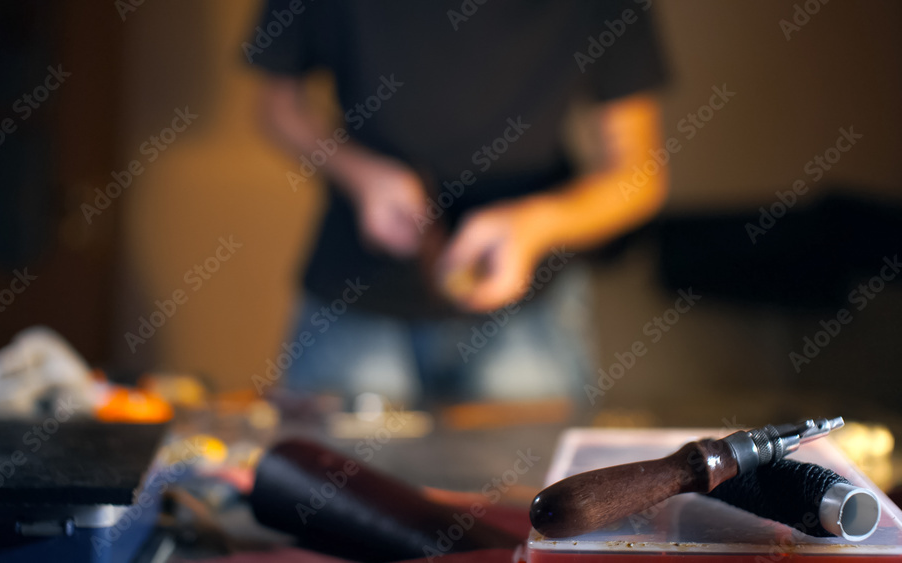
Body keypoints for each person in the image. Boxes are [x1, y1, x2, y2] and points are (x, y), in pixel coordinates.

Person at [247, 0, 669, 409]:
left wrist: (533, 226)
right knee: (325, 479)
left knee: (532, 480)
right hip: (353, 291)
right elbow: (278, 106)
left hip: (530, 307)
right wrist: (362, 175)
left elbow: (639, 174)